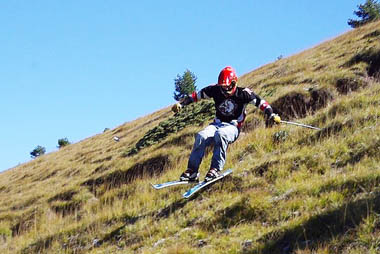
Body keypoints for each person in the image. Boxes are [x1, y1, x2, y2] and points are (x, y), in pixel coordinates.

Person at [172, 66, 281, 182]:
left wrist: (272, 115)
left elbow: (261, 103)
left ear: (234, 83)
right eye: (223, 87)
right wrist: (181, 104)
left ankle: (215, 169)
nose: (225, 90)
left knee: (221, 134)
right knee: (201, 136)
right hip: (216, 124)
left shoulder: (243, 93)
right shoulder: (215, 90)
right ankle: (192, 171)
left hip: (233, 127)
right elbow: (196, 96)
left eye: (228, 86)